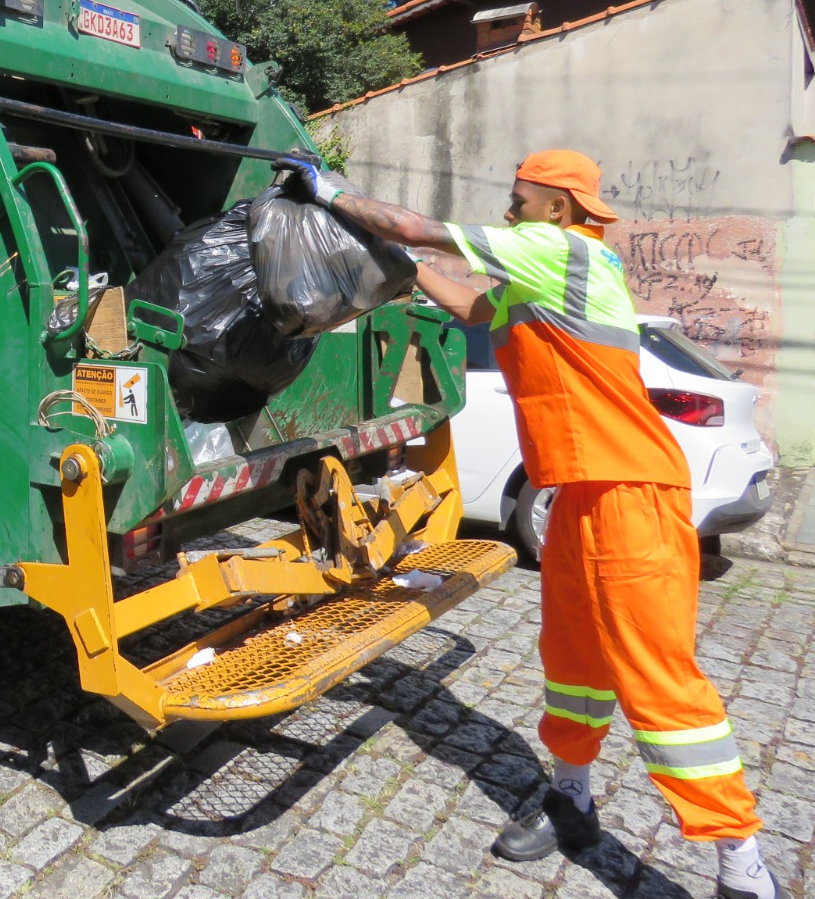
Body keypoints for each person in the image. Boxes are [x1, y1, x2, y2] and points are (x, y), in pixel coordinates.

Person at [280, 148, 778, 899]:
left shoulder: (562, 251)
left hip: (631, 494)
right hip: (578, 495)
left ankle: (744, 871)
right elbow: (469, 306)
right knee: (571, 659)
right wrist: (397, 265)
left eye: (519, 199)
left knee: (659, 683)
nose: (509, 209)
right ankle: (571, 801)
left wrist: (331, 192)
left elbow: (423, 228)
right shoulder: (536, 284)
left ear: (558, 207)